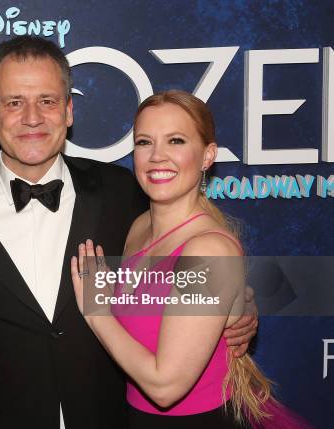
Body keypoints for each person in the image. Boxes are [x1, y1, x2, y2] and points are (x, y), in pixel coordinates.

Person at [0, 36, 257, 429]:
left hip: (112, 417)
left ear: (68, 111)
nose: (32, 117)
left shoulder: (126, 193)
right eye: (14, 102)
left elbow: (194, 263)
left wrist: (239, 307)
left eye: (47, 101)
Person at [71, 90, 310, 428]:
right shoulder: (140, 227)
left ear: (207, 156)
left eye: (176, 141)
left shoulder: (208, 251)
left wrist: (97, 312)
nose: (157, 156)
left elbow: (166, 387)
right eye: (144, 142)